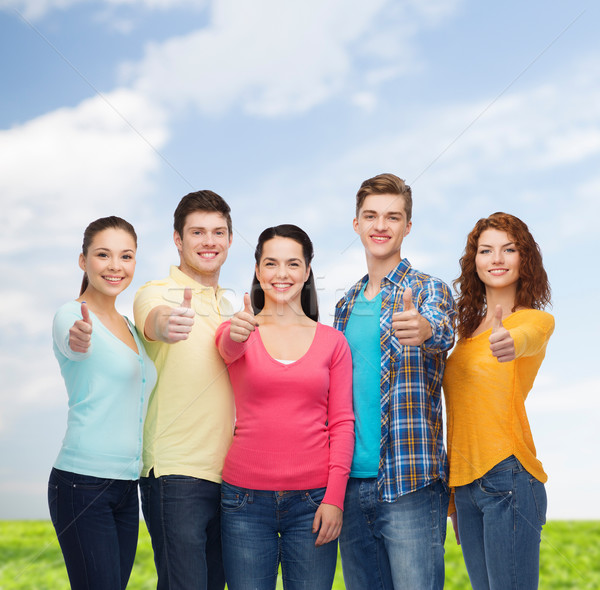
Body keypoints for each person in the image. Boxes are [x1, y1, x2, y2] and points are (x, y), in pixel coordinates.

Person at [215, 224, 355, 590]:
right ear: (258, 271)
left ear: (307, 271)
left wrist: (335, 498)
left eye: (293, 264)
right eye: (271, 263)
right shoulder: (239, 330)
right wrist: (236, 333)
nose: (281, 274)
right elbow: (226, 348)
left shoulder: (333, 342)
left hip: (313, 502)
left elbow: (342, 423)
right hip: (243, 501)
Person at [334, 173, 456, 590]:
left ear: (407, 226)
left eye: (392, 217)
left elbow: (441, 330)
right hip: (349, 485)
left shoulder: (428, 291)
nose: (380, 226)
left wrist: (422, 328)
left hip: (410, 481)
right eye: (370, 216)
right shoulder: (344, 304)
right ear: (356, 225)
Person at [443, 212, 554, 590]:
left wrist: (510, 342)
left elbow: (527, 339)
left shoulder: (534, 322)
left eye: (509, 249)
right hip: (468, 485)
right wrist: (456, 496)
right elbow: (458, 413)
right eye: (486, 250)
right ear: (474, 262)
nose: (497, 259)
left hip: (509, 476)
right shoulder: (464, 331)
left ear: (525, 259)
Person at [49, 216, 157, 590]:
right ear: (83, 261)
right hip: (82, 484)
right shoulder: (72, 315)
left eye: (126, 256)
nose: (115, 266)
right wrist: (78, 340)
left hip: (127, 487)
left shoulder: (130, 327)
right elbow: (73, 341)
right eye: (103, 255)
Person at [133, 191, 235, 590]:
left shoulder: (233, 305)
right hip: (176, 474)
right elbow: (154, 321)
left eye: (218, 232)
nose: (209, 241)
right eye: (197, 232)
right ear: (178, 239)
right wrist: (167, 324)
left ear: (229, 239)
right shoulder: (155, 292)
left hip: (230, 476)